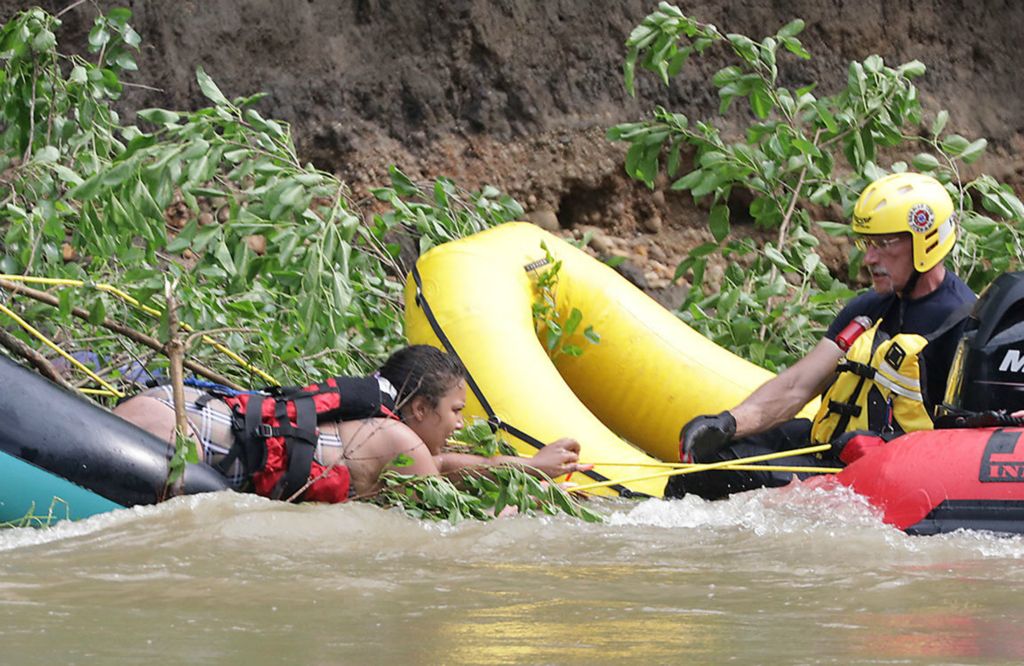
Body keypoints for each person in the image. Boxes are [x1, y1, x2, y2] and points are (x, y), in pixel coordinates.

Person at [666, 172, 977, 500]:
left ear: (925, 242)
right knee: (710, 462)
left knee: (728, 477)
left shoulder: (960, 324)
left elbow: (958, 444)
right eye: (867, 244)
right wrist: (727, 423)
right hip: (833, 450)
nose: (869, 258)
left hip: (886, 474)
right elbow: (797, 386)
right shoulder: (871, 308)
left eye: (884, 244)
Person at [114, 344, 584, 501]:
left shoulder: (373, 421)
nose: (460, 425)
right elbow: (444, 524)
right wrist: (524, 491)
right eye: (456, 411)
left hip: (175, 406)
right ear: (419, 409)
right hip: (183, 437)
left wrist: (528, 466)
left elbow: (441, 467)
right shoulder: (400, 441)